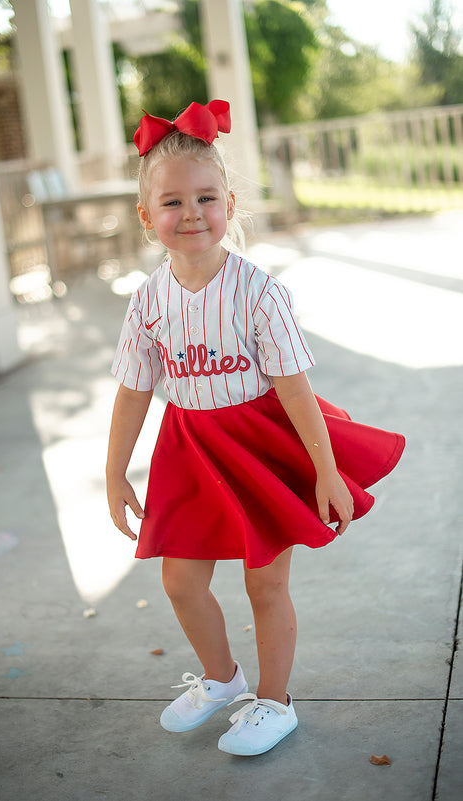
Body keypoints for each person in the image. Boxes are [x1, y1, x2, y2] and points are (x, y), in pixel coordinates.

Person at [106, 100, 404, 757]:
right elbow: (132, 391)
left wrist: (325, 469)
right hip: (186, 448)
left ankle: (275, 700)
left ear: (230, 204)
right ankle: (220, 679)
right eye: (172, 202)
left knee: (264, 582)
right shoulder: (147, 301)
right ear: (145, 216)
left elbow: (294, 388)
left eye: (205, 197)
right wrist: (114, 472)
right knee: (181, 581)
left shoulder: (258, 292)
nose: (190, 214)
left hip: (258, 443)